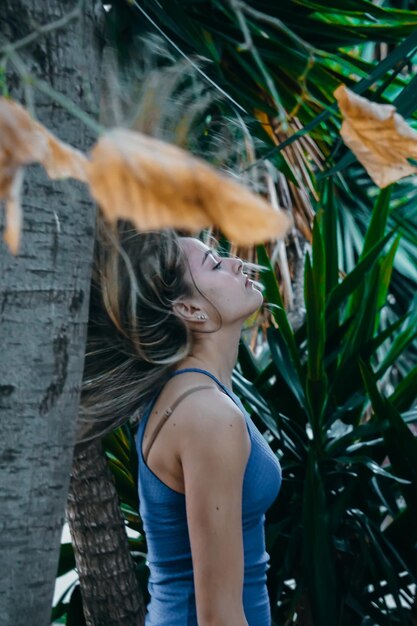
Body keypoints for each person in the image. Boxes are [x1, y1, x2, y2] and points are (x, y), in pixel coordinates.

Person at [81, 222, 282, 626]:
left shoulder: (193, 393)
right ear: (191, 310)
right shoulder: (207, 417)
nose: (234, 261)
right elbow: (218, 617)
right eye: (213, 264)